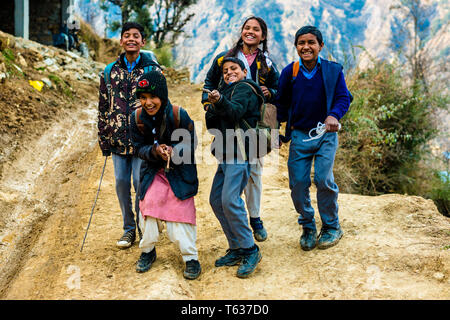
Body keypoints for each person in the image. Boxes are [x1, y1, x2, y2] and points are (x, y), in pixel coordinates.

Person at [201, 16, 279, 242]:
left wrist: (269, 93)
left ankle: (254, 218)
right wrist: (210, 104)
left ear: (263, 36)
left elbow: (277, 88)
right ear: (241, 31)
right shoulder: (224, 59)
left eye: (256, 29)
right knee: (232, 173)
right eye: (247, 28)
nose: (251, 32)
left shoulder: (267, 63)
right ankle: (240, 223)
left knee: (254, 174)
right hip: (229, 124)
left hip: (254, 126)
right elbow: (208, 83)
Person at [275, 26, 351, 251]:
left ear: (321, 46)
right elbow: (281, 104)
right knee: (297, 184)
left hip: (326, 134)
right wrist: (273, 132)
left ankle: (331, 226)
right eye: (301, 43)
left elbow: (343, 97)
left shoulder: (332, 70)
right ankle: (307, 225)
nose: (306, 47)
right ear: (296, 46)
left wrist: (333, 115)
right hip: (299, 136)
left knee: (323, 179)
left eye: (311, 42)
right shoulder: (290, 72)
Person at [130, 70, 201, 280]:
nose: (148, 102)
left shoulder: (180, 115)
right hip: (153, 172)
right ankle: (148, 251)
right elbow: (137, 147)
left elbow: (191, 143)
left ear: (163, 95)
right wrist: (154, 152)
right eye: (142, 98)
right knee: (148, 212)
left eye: (152, 97)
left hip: (179, 174)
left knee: (180, 219)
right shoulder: (137, 118)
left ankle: (191, 258)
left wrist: (173, 151)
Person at [98, 22, 160, 249]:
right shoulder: (109, 71)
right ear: (121, 41)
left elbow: (161, 106)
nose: (131, 39)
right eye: (127, 36)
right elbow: (103, 107)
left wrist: (158, 138)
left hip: (142, 141)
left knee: (139, 183)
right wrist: (103, 138)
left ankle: (144, 226)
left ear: (143, 42)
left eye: (136, 35)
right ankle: (128, 229)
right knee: (122, 184)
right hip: (117, 139)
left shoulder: (152, 70)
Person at [205, 57, 264, 278]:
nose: (229, 72)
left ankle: (250, 249)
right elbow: (212, 124)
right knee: (216, 199)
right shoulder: (224, 91)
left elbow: (234, 113)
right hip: (225, 152)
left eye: (234, 69)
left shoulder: (246, 88)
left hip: (241, 151)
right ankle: (237, 247)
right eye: (225, 70)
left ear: (244, 71)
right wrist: (216, 105)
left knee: (230, 199)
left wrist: (219, 103)